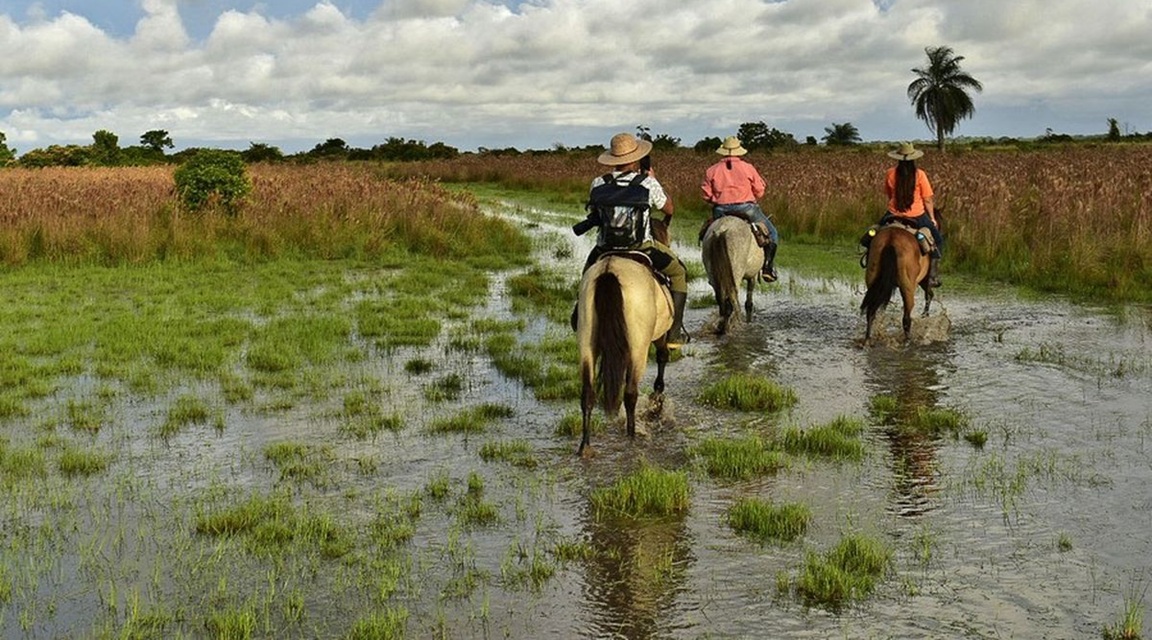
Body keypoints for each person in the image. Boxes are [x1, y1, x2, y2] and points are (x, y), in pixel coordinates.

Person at [571, 133, 691, 346]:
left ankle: (579, 315)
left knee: (587, 274)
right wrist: (653, 180)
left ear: (613, 160)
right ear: (636, 159)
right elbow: (669, 208)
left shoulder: (598, 183)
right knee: (679, 272)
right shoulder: (647, 183)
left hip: (605, 248)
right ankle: (674, 333)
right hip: (641, 246)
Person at [699, 136, 779, 282]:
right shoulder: (748, 168)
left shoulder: (712, 170)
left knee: (707, 233)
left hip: (721, 210)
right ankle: (767, 267)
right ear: (739, 151)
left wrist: (716, 199)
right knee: (773, 233)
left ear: (723, 151)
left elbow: (706, 194)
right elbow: (760, 190)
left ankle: (711, 268)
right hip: (747, 209)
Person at [878, 141, 943, 287]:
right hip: (917, 216)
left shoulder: (890, 173)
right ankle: (932, 276)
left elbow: (889, 194)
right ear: (914, 158)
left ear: (898, 158)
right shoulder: (920, 175)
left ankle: (871, 262)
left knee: (873, 235)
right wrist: (932, 218)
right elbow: (927, 200)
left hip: (892, 213)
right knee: (938, 240)